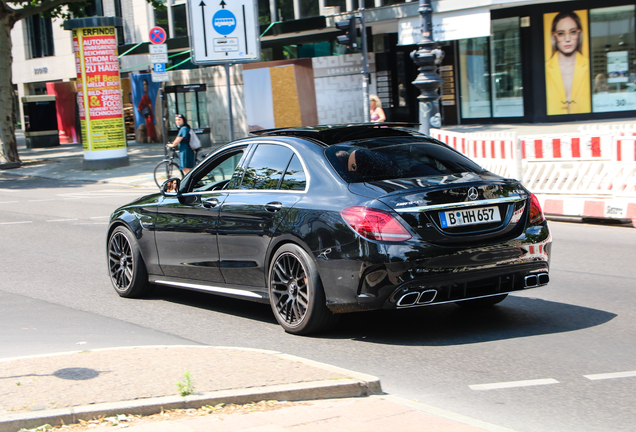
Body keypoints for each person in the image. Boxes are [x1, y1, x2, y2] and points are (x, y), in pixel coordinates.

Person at [545, 11, 591, 115]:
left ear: (579, 34)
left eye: (573, 32)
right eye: (561, 33)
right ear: (554, 37)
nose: (567, 39)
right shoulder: (544, 69)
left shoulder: (589, 66)